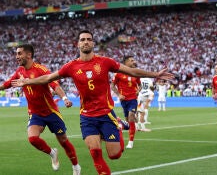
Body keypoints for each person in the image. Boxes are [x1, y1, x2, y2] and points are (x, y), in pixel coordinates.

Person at [12, 30, 174, 174]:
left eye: (89, 39)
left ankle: (118, 124)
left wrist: (154, 74)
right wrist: (27, 82)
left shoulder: (105, 62)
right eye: (82, 39)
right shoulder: (71, 66)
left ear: (93, 43)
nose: (86, 42)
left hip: (106, 114)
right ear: (78, 44)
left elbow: (131, 71)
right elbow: (48, 78)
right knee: (95, 154)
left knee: (114, 155)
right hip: (87, 117)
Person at [0, 44, 81, 175]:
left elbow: (55, 85)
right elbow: (10, 82)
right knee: (33, 139)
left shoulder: (41, 69)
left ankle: (76, 166)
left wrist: (65, 98)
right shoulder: (20, 71)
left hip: (51, 112)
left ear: (28, 55)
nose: (17, 56)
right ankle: (52, 153)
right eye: (16, 54)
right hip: (35, 114)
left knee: (63, 141)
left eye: (19, 53)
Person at [111, 55, 140, 149]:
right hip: (124, 100)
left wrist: (138, 91)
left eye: (133, 60)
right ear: (126, 62)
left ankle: (131, 142)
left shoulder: (136, 73)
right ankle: (124, 122)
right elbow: (112, 86)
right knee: (128, 120)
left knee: (131, 117)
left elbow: (140, 85)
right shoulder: (118, 73)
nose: (134, 62)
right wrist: (119, 95)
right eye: (131, 60)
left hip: (133, 99)